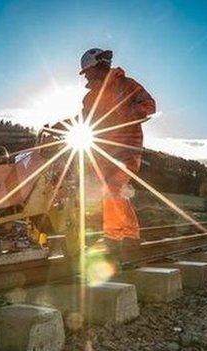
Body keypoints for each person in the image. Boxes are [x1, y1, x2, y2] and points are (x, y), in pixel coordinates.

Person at [79, 48, 156, 257]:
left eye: (88, 71)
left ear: (100, 67)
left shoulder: (128, 85)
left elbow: (149, 105)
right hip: (102, 153)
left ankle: (126, 238)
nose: (86, 76)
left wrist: (125, 114)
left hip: (128, 150)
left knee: (114, 187)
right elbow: (84, 123)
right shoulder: (89, 99)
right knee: (109, 191)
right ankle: (117, 236)